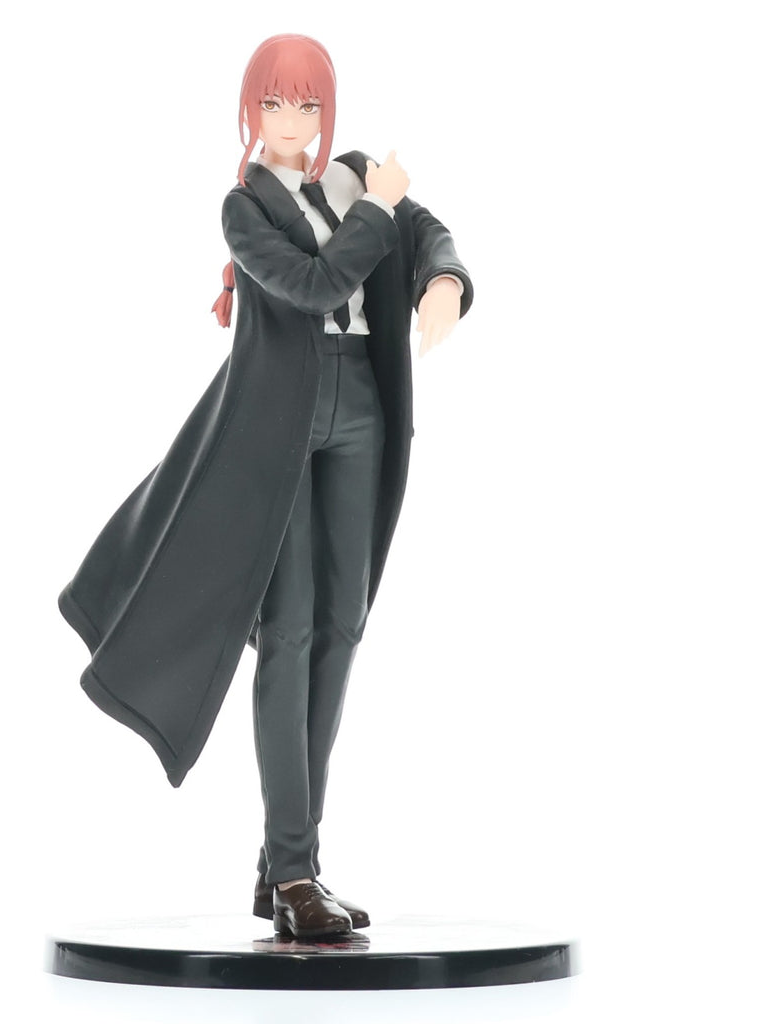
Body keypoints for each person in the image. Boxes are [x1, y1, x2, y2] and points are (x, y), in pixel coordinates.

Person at [58, 34, 473, 939]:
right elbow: (317, 284)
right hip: (279, 424)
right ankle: (293, 875)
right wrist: (381, 210)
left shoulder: (354, 179)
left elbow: (423, 230)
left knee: (343, 625)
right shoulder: (244, 208)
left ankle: (287, 862)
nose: (292, 121)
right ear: (252, 110)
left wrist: (442, 275)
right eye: (276, 103)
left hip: (364, 408)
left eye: (308, 104)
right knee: (287, 631)